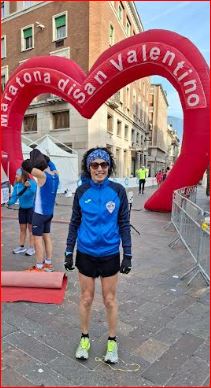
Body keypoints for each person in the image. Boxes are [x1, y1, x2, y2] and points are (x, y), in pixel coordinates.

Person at [64, 147, 132, 364]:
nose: (100, 168)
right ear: (88, 167)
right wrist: (68, 250)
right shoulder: (82, 192)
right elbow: (75, 222)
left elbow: (124, 224)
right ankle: (84, 339)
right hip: (86, 253)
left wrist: (128, 254)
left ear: (109, 167)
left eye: (104, 164)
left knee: (110, 300)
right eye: (95, 165)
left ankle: (112, 342)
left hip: (110, 253)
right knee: (86, 299)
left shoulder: (118, 191)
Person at [22, 149, 59, 272]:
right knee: (47, 237)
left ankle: (39, 266)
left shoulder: (42, 175)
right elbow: (50, 162)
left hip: (39, 214)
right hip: (49, 213)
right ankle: (48, 263)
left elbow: (25, 165)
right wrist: (42, 157)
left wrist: (32, 160)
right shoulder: (55, 174)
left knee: (37, 239)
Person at [7, 167, 36, 256]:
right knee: (22, 229)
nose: (15, 176)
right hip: (22, 209)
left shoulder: (32, 182)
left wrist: (30, 187)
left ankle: (32, 248)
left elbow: (34, 191)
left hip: (31, 209)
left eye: (17, 175)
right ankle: (21, 246)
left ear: (23, 175)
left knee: (31, 230)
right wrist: (8, 202)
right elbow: (14, 198)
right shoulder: (17, 185)